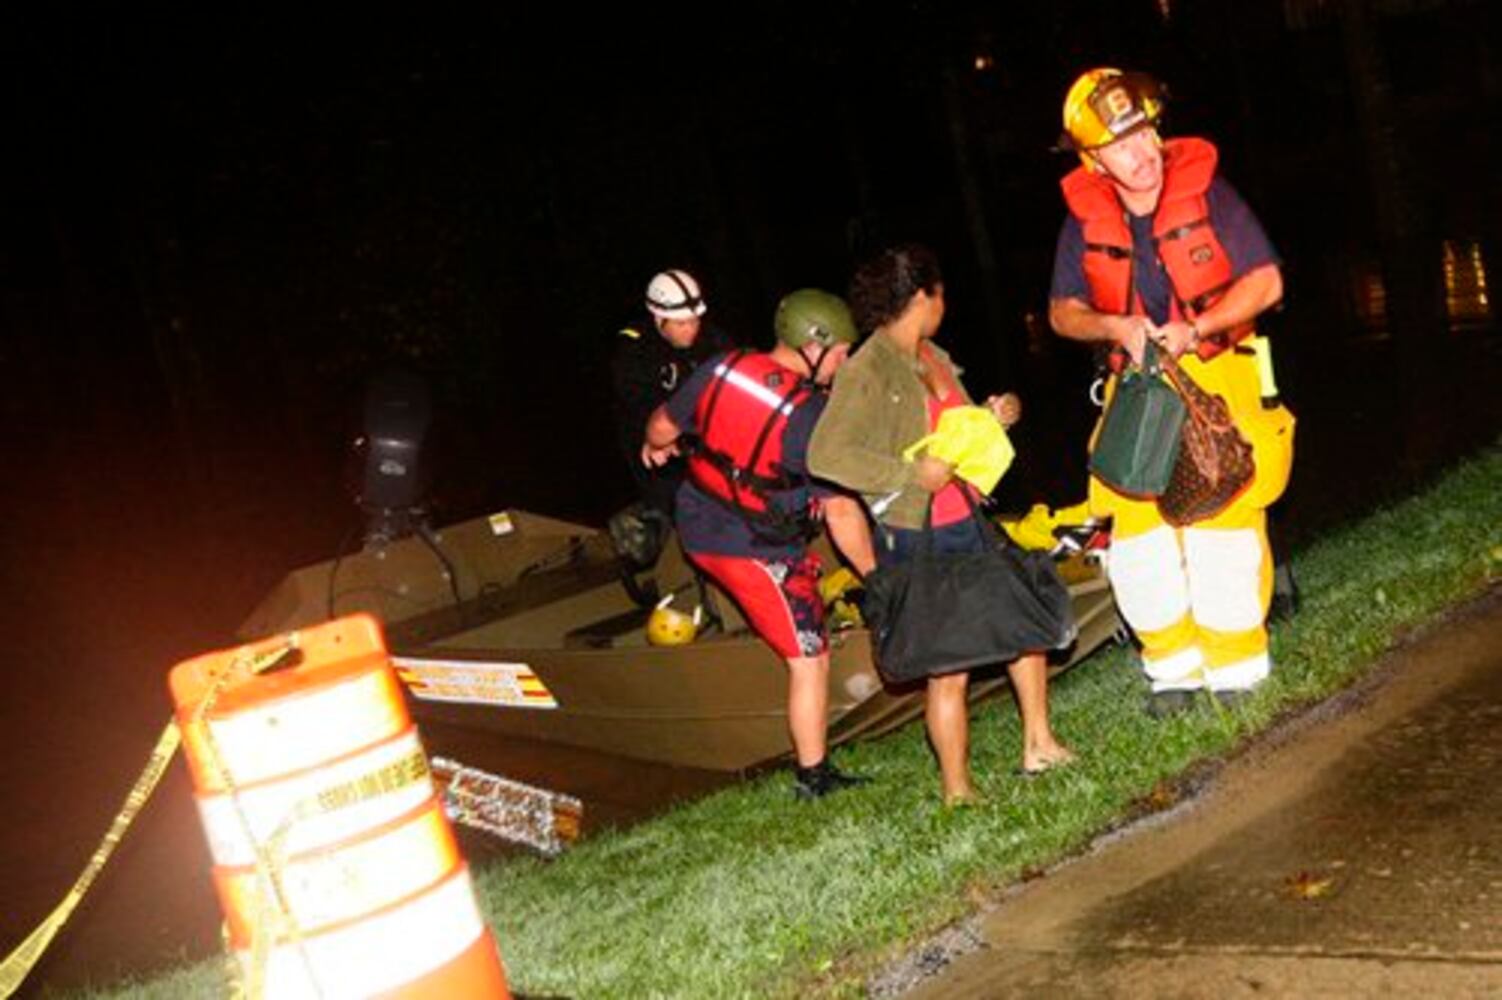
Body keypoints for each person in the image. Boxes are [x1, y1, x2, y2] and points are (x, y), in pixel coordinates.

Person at [1048, 68, 1295, 714]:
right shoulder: (1084, 220)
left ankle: (1238, 670)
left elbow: (1266, 283)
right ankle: (1173, 673)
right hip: (1135, 386)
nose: (1143, 152)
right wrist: (1116, 327)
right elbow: (1061, 313)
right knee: (1136, 532)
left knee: (1223, 516)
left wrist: (1198, 327)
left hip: (1219, 368)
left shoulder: (1209, 193)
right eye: (1123, 144)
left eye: (1146, 132)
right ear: (1094, 158)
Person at [807, 245, 1074, 806]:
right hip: (916, 531)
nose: (943, 303)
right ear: (921, 296)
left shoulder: (935, 355)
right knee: (947, 665)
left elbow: (959, 426)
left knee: (1024, 625)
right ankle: (957, 790)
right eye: (940, 293)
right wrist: (907, 473)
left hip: (967, 516)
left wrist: (993, 416)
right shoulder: (867, 367)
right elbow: (826, 455)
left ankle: (1040, 744)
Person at [642, 288, 876, 799]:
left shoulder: (722, 368)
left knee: (802, 590)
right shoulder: (812, 418)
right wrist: (878, 578)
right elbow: (840, 511)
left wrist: (656, 446)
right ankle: (813, 778)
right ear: (811, 346)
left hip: (699, 520)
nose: (844, 362)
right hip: (747, 545)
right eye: (840, 352)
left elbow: (661, 426)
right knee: (809, 656)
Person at [612, 269, 733, 522]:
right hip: (657, 447)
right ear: (658, 318)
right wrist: (659, 438)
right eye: (681, 323)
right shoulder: (635, 349)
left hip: (709, 439)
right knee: (671, 507)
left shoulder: (714, 339)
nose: (690, 329)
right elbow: (637, 402)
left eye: (695, 320)